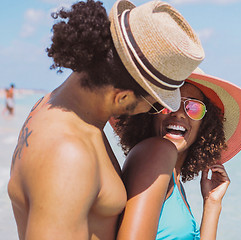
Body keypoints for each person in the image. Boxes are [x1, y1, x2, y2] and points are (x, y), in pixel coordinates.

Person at [7, 0, 204, 239]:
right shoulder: (69, 154)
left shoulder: (51, 106)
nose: (152, 111)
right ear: (122, 98)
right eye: (154, 104)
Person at [112, 69, 241, 239]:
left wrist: (212, 203)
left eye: (193, 108)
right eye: (169, 103)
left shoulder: (172, 178)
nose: (179, 113)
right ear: (149, 112)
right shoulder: (154, 153)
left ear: (205, 125)